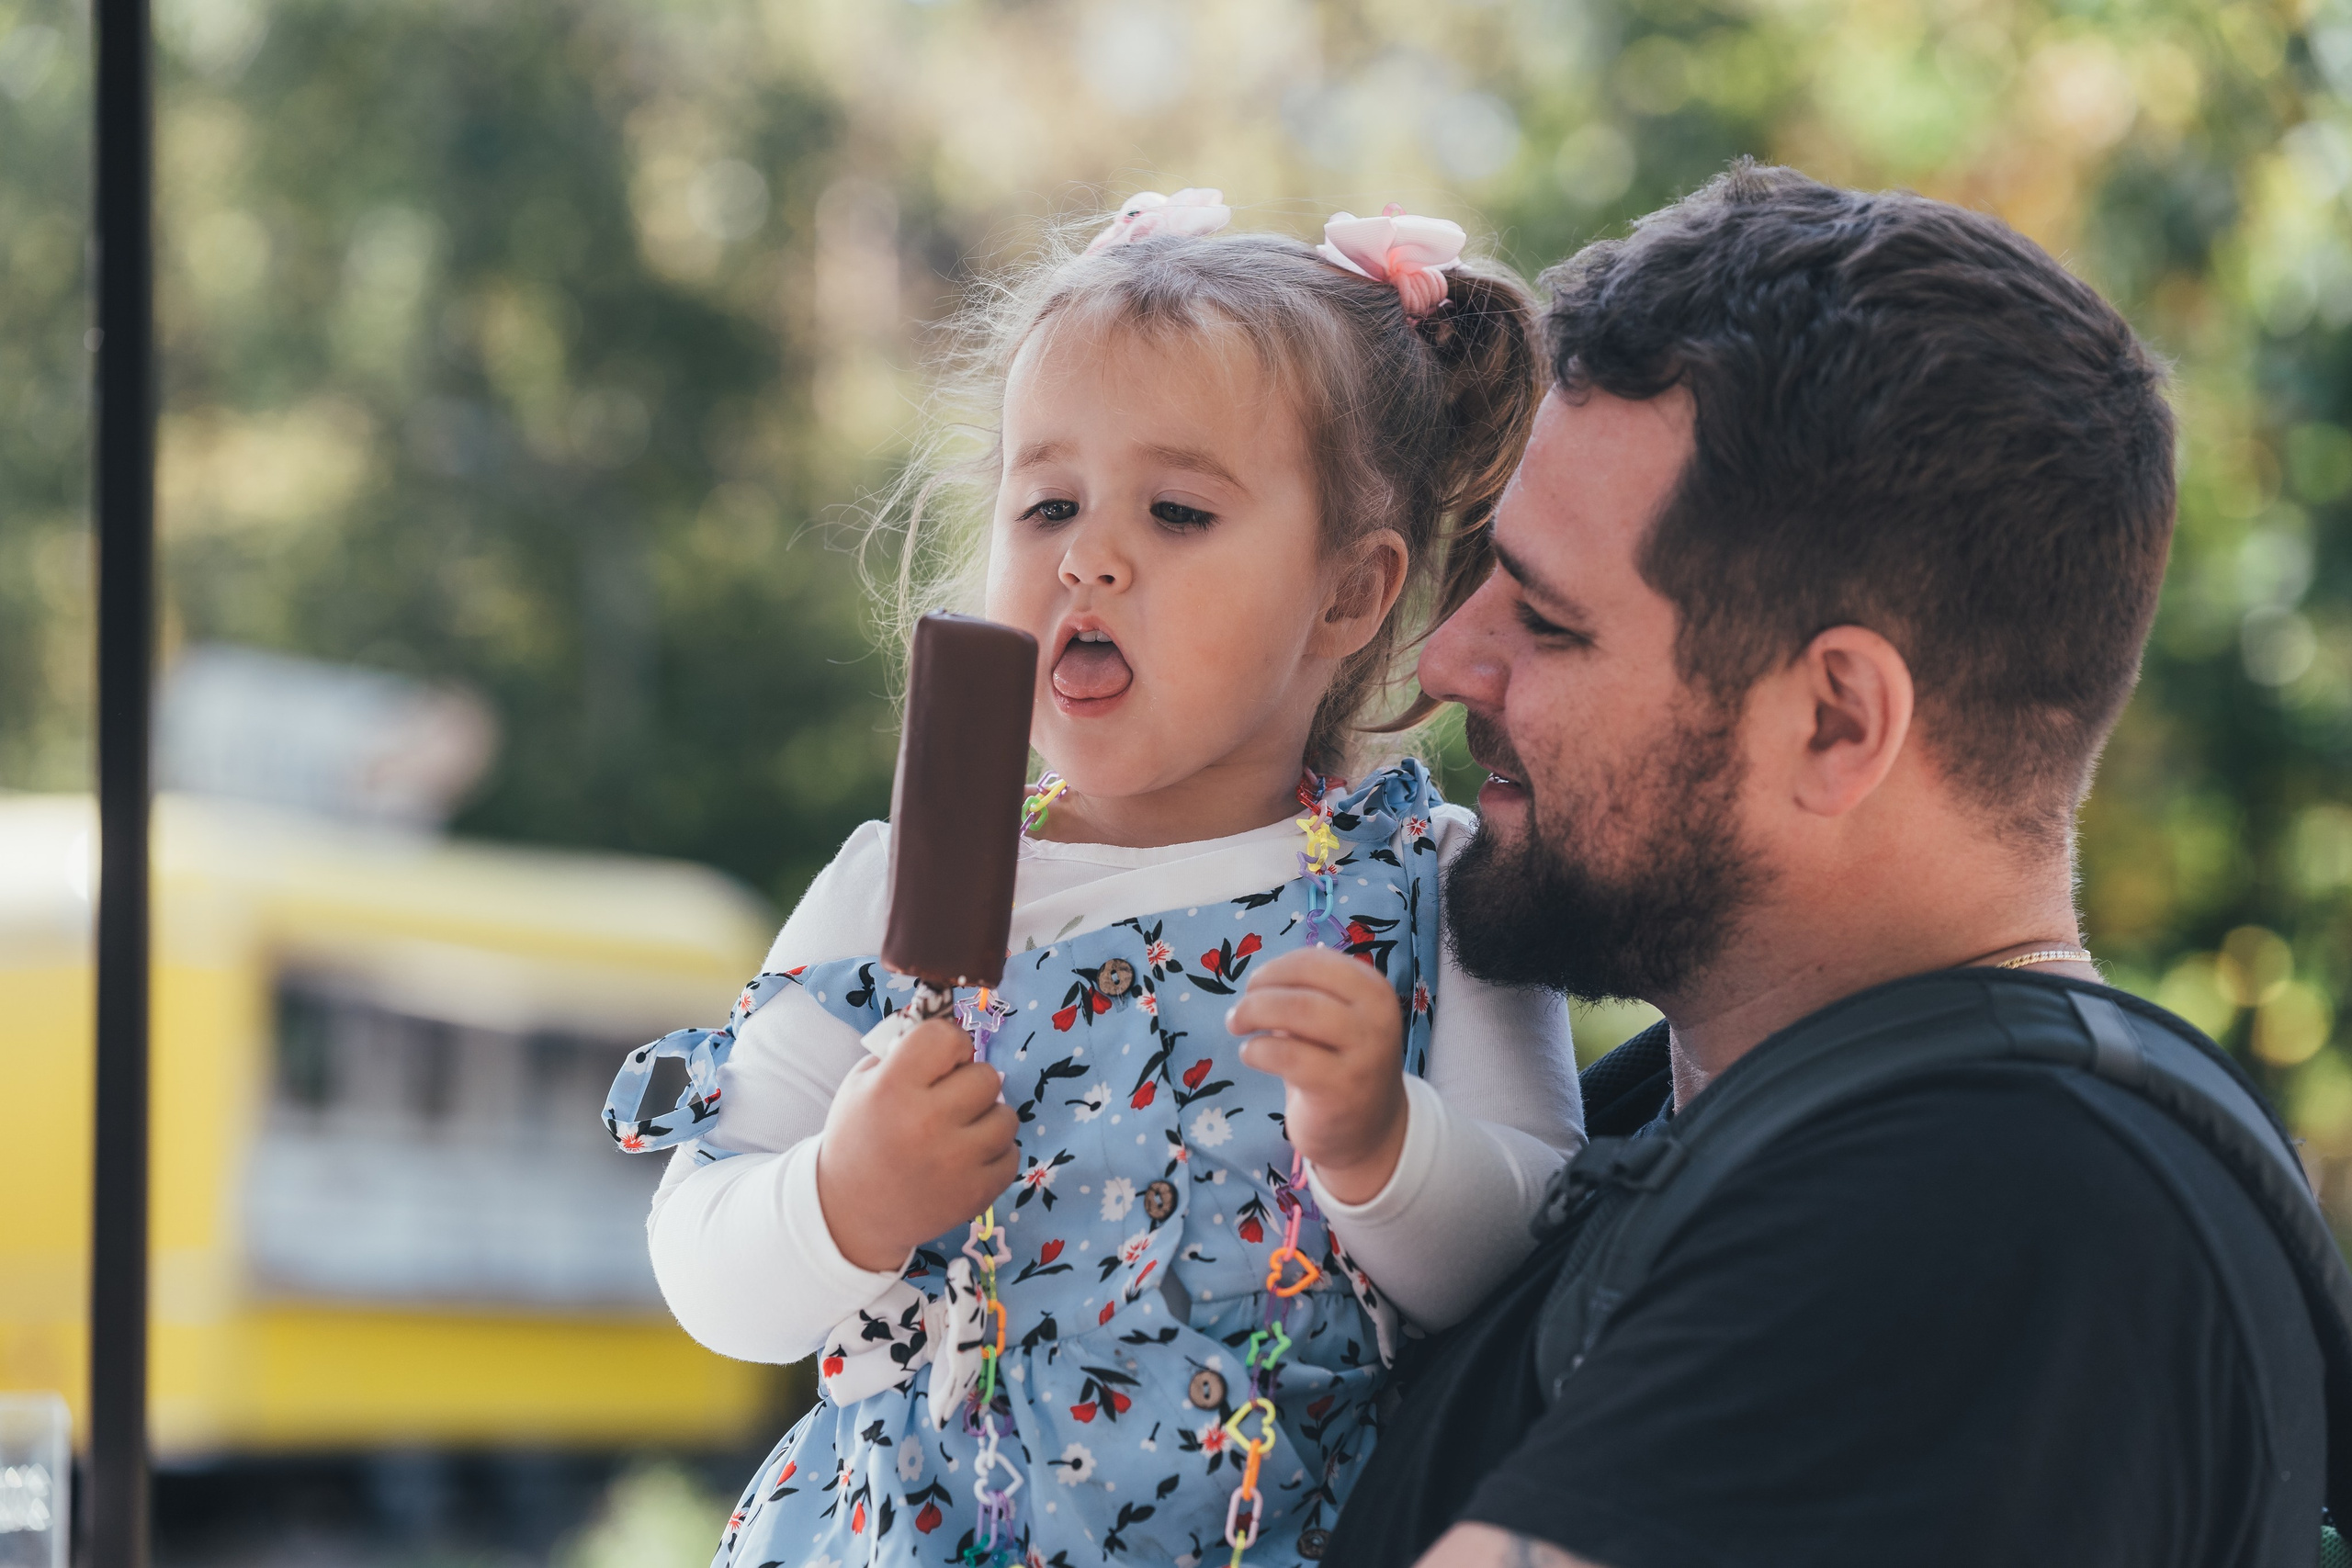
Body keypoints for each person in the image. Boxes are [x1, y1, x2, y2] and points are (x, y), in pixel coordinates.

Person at [1326, 162, 2330, 1568]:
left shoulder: (1995, 1208)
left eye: (1548, 623)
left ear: (1836, 721)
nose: (1446, 659)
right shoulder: (1656, 1133)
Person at [602, 191, 1585, 1567]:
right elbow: (700, 1261)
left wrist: (1382, 1144)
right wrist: (845, 1195)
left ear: (1351, 596)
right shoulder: (898, 889)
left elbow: (1535, 1250)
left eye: (1178, 511)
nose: (1090, 555)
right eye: (1047, 500)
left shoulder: (1428, 886)